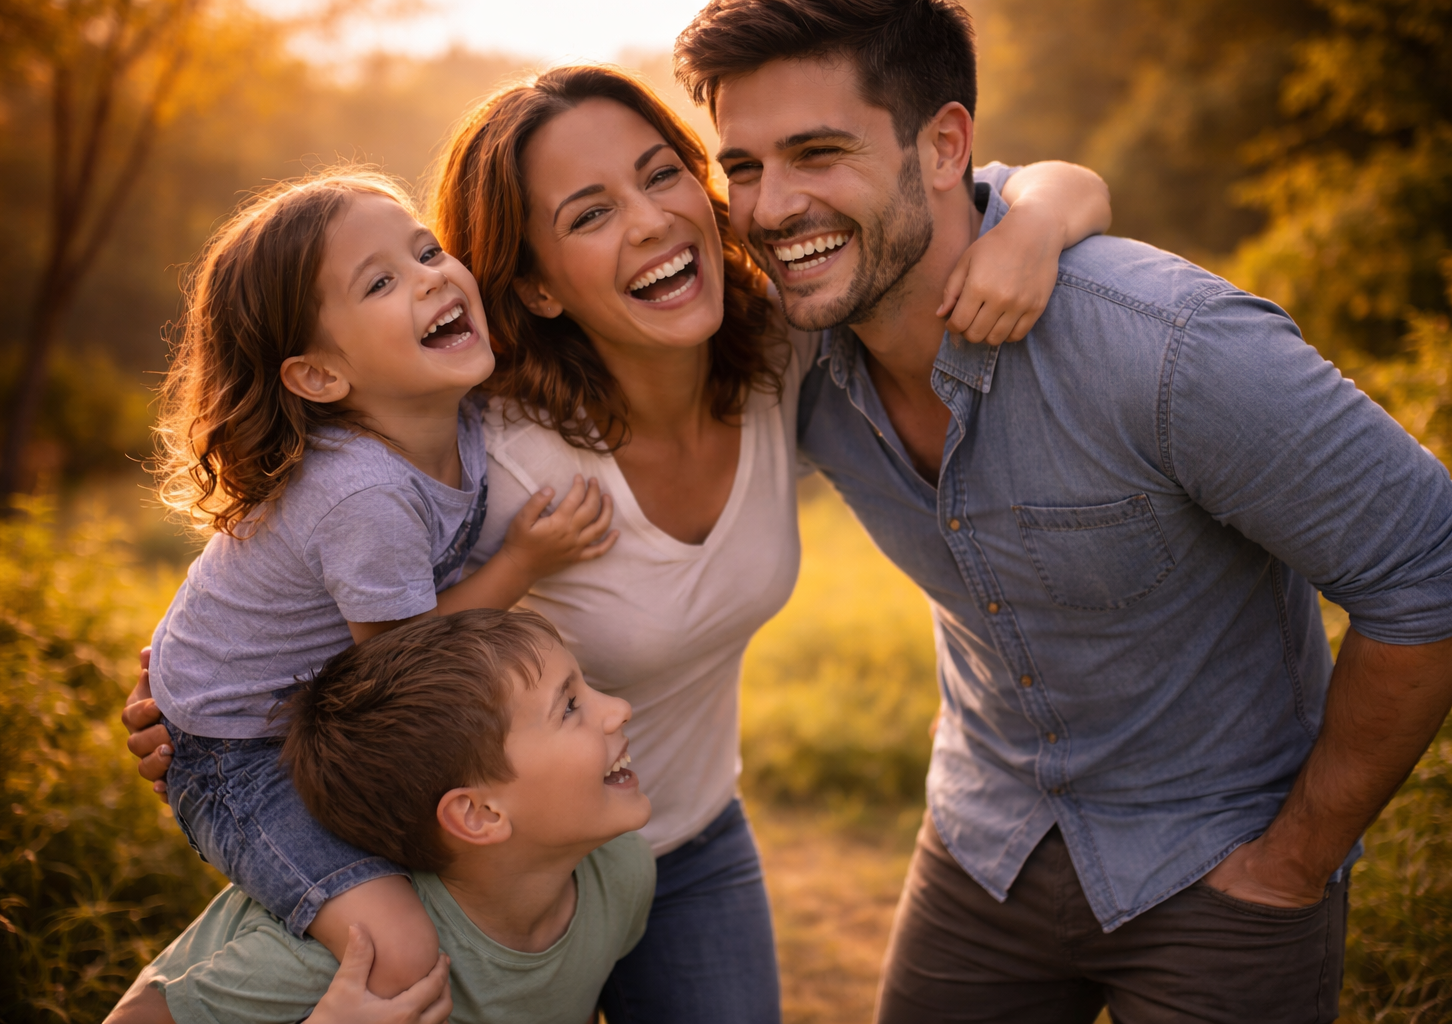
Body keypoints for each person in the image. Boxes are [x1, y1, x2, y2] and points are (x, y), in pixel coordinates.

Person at [125, 66, 1112, 1023]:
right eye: (588, 214)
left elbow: (1027, 186)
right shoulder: (494, 451)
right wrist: (201, 702)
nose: (648, 221)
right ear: (539, 288)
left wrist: (1029, 233)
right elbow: (339, 611)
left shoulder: (773, 345)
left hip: (692, 839)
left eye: (661, 172)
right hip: (486, 889)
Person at [670, 1, 1452, 1022]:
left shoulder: (1167, 347)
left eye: (817, 151)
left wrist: (1296, 861)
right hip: (984, 842)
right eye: (745, 167)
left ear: (943, 146)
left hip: (1217, 868)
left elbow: (1441, 572)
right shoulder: (793, 356)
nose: (769, 208)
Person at [141, 170, 619, 1000]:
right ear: (320, 376)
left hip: (310, 710)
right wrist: (522, 564)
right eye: (381, 281)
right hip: (236, 749)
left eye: (427, 249)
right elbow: (398, 661)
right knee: (398, 947)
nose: (433, 275)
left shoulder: (458, 411)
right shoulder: (363, 493)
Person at [106, 608, 655, 1024]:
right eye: (570, 707)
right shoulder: (355, 951)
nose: (619, 709)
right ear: (479, 814)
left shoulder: (620, 873)